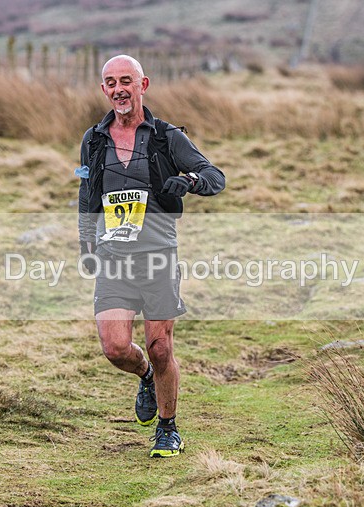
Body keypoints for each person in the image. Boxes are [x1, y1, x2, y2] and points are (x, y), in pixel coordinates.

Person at [77, 55, 225, 458]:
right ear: (104, 89)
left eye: (126, 80)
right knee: (115, 348)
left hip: (158, 257)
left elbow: (215, 177)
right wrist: (86, 244)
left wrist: (189, 180)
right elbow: (87, 196)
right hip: (113, 259)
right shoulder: (94, 140)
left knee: (160, 348)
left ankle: (167, 428)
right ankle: (145, 376)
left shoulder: (166, 137)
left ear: (143, 85)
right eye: (110, 82)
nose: (118, 89)